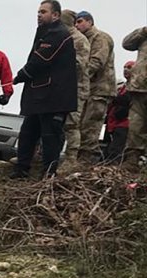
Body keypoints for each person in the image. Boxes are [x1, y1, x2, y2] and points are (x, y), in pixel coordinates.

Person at [10, 0, 77, 179]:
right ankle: (21, 169)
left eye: (44, 12)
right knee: (28, 132)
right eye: (38, 12)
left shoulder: (58, 33)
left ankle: (49, 175)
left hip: (54, 96)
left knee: (50, 136)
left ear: (55, 15)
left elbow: (40, 61)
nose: (39, 15)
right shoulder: (45, 32)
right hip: (39, 95)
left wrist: (20, 75)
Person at [74, 10, 117, 163]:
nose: (77, 26)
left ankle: (86, 160)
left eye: (80, 21)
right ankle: (79, 158)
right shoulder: (82, 41)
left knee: (91, 125)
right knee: (79, 125)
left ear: (90, 22)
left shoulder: (100, 38)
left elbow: (96, 62)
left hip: (100, 89)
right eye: (75, 23)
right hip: (87, 89)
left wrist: (77, 78)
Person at [60, 9, 91, 169]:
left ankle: (71, 158)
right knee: (55, 122)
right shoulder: (60, 36)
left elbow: (80, 64)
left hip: (77, 88)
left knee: (72, 123)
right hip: (60, 87)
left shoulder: (80, 39)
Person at [122, 26, 147, 172]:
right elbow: (126, 44)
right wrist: (143, 31)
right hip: (139, 88)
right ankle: (132, 160)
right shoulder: (143, 35)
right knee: (135, 127)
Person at [105, 61, 136, 162]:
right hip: (113, 124)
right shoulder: (123, 87)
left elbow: (127, 101)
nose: (126, 69)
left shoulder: (135, 87)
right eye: (124, 67)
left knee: (116, 152)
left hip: (124, 124)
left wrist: (115, 98)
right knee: (109, 151)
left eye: (129, 67)